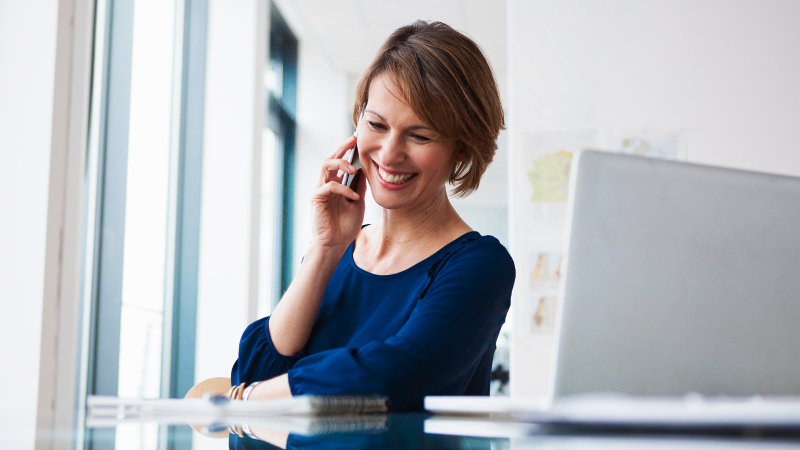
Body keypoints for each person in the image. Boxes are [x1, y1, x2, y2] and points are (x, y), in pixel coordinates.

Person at [194, 20, 515, 413]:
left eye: (420, 135)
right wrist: (325, 249)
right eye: (376, 124)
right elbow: (259, 371)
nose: (389, 153)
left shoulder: (480, 265)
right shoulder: (337, 251)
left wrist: (243, 403)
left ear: (461, 150)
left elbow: (392, 378)